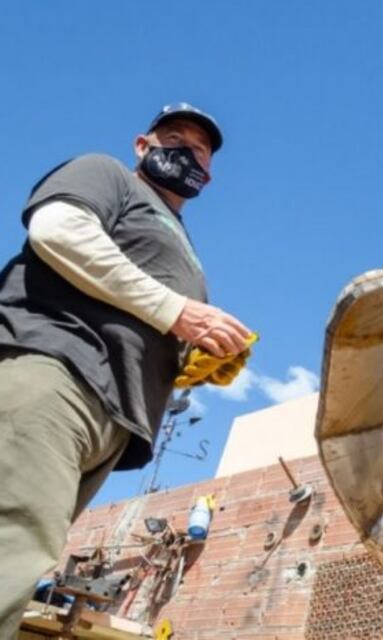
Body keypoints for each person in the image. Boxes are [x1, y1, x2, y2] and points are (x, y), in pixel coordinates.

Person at [0, 103, 252, 635]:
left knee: (25, 557)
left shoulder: (184, 244)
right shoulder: (108, 174)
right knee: (9, 543)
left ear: (209, 172)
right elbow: (58, 230)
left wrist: (193, 360)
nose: (187, 152)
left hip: (113, 419)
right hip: (55, 370)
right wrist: (179, 312)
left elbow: (146, 319)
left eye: (199, 149)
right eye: (174, 139)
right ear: (143, 146)